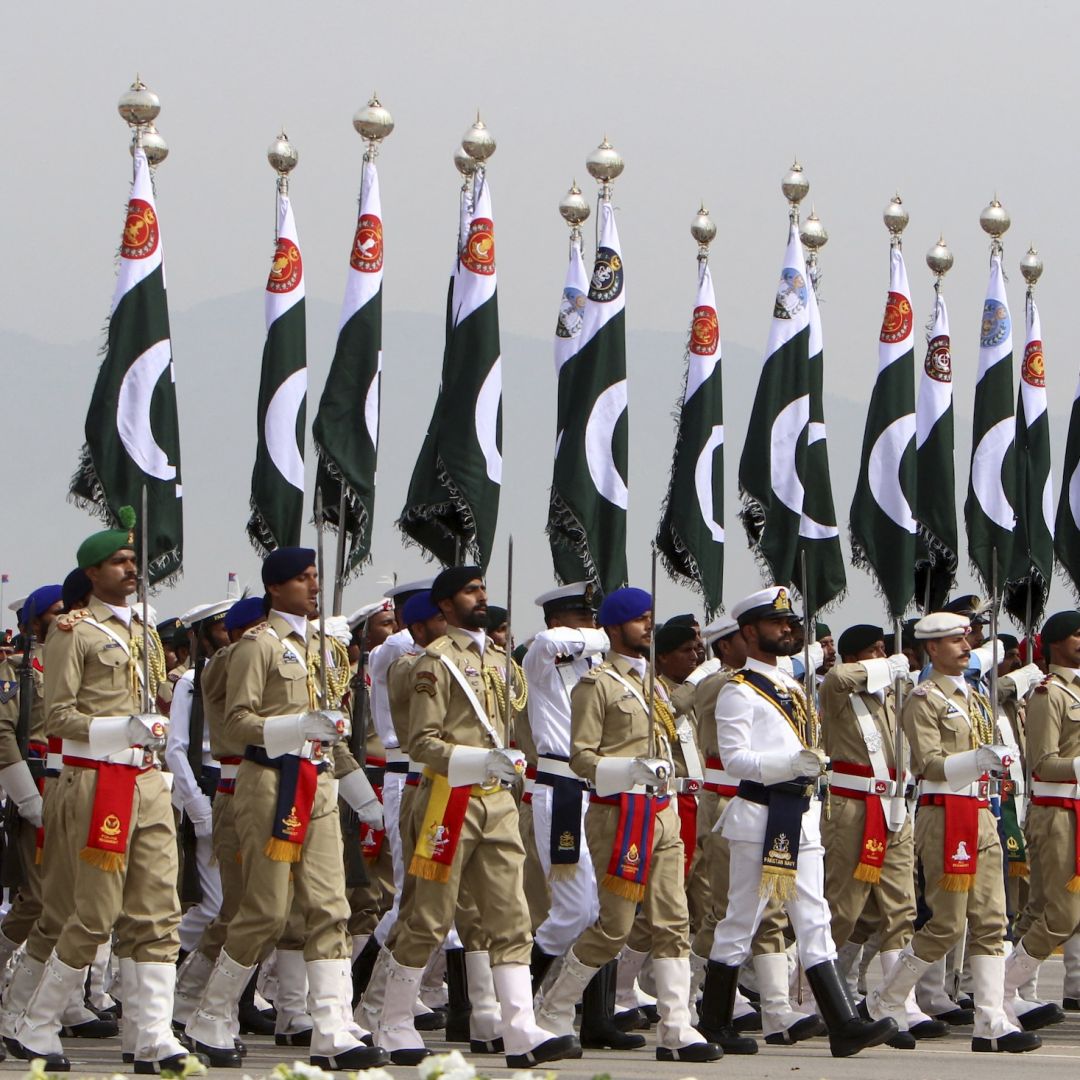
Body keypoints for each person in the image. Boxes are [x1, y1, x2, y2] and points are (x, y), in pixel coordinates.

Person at [184, 547, 388, 1071]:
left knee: (329, 906)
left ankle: (331, 1028)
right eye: (302, 578)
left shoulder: (320, 648)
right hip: (269, 780)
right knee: (266, 912)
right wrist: (296, 727)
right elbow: (234, 724)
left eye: (316, 577)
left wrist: (364, 799)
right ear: (275, 588)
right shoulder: (258, 646)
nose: (314, 586)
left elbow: (333, 730)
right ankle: (208, 1016)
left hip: (317, 781)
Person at [12, 508, 195, 1074]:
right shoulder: (72, 632)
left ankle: (152, 1035)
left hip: (144, 780)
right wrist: (123, 728)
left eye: (133, 560)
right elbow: (57, 717)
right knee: (93, 914)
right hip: (95, 779)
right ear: (92, 571)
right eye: (119, 560)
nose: (131, 568)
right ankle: (36, 1025)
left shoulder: (141, 632)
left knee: (158, 912)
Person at [376, 566, 578, 1069]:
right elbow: (421, 743)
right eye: (470, 590)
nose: (481, 596)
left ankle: (518, 1028)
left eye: (482, 588)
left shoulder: (498, 661)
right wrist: (478, 761)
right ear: (445, 605)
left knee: (511, 916)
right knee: (429, 915)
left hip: (495, 800)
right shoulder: (433, 664)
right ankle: (393, 1020)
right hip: (447, 796)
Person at [698, 586, 896, 1058]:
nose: (788, 628)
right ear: (750, 631)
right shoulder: (738, 690)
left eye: (789, 622)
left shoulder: (790, 686)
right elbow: (735, 760)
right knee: (740, 922)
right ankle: (713, 1021)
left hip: (800, 816)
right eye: (776, 622)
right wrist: (793, 764)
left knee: (815, 917)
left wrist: (803, 768)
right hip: (759, 816)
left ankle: (843, 1023)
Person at [536, 587, 721, 1064]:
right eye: (640, 620)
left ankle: (676, 1028)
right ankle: (553, 1007)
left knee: (673, 920)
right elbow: (581, 756)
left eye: (650, 618)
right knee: (615, 926)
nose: (648, 627)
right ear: (615, 628)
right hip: (619, 813)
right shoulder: (596, 685)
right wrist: (628, 771)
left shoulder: (651, 684)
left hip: (661, 812)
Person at [866, 611, 1041, 1054]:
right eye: (953, 641)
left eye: (966, 639)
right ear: (931, 648)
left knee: (991, 921)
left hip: (981, 811)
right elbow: (930, 764)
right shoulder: (922, 699)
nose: (965, 647)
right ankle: (887, 1000)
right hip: (945, 812)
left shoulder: (977, 698)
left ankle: (991, 1021)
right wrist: (979, 760)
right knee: (945, 925)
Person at [819, 624, 945, 1046]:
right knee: (844, 907)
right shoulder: (840, 690)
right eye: (872, 651)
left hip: (893, 807)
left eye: (884, 649)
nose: (885, 657)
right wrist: (884, 665)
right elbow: (838, 676)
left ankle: (895, 1001)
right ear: (856, 657)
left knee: (900, 908)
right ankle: (812, 993)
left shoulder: (891, 696)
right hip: (853, 808)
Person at [520, 585, 609, 1031]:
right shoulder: (541, 656)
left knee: (599, 909)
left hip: (596, 789)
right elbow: (549, 643)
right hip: (559, 790)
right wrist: (608, 633)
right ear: (561, 620)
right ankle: (522, 1005)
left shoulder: (595, 665)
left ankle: (593, 1016)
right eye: (585, 619)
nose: (592, 627)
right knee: (573, 910)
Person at [1004, 611, 1080, 1019]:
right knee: (1059, 915)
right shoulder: (1047, 695)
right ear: (1054, 644)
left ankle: (1007, 993)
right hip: (1056, 814)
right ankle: (1001, 988)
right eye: (1076, 635)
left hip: (1078, 809)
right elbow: (1043, 762)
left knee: (1044, 909)